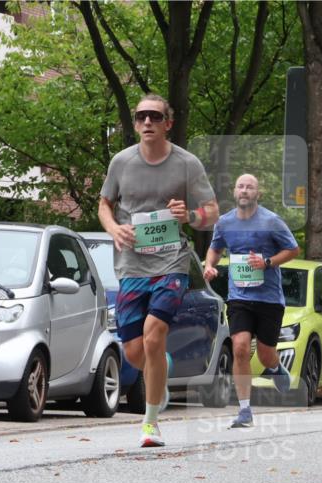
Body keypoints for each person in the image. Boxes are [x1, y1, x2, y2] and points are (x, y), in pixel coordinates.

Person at [98, 93, 219, 447]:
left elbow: (211, 211)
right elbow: (104, 205)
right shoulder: (121, 162)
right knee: (135, 352)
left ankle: (150, 425)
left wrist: (190, 216)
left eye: (154, 116)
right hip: (131, 265)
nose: (147, 122)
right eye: (140, 117)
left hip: (172, 262)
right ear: (135, 124)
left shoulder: (187, 164)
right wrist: (113, 228)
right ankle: (159, 365)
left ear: (168, 123)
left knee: (154, 332)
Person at [203, 174, 300, 428]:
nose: (244, 190)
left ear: (258, 193)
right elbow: (215, 248)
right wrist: (209, 265)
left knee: (267, 355)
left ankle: (276, 368)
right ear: (234, 192)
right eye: (241, 186)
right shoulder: (224, 223)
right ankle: (245, 410)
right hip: (239, 298)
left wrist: (267, 263)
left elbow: (293, 250)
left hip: (269, 298)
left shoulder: (271, 221)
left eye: (250, 187)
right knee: (241, 348)